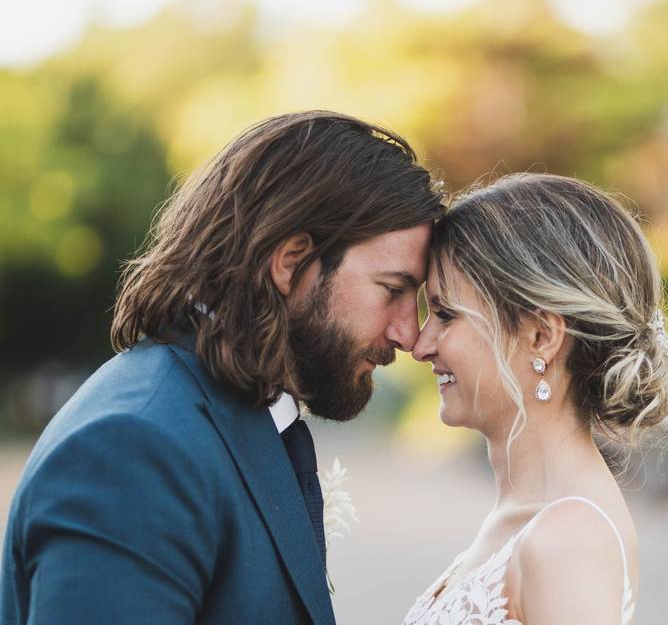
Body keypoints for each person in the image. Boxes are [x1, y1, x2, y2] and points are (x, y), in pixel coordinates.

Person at [1, 110, 444, 624]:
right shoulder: (133, 451)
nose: (408, 334)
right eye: (392, 290)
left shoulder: (229, 415)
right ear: (291, 260)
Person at [403, 173, 668, 625]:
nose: (420, 345)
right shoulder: (523, 518)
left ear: (540, 335)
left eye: (444, 314)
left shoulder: (569, 538)